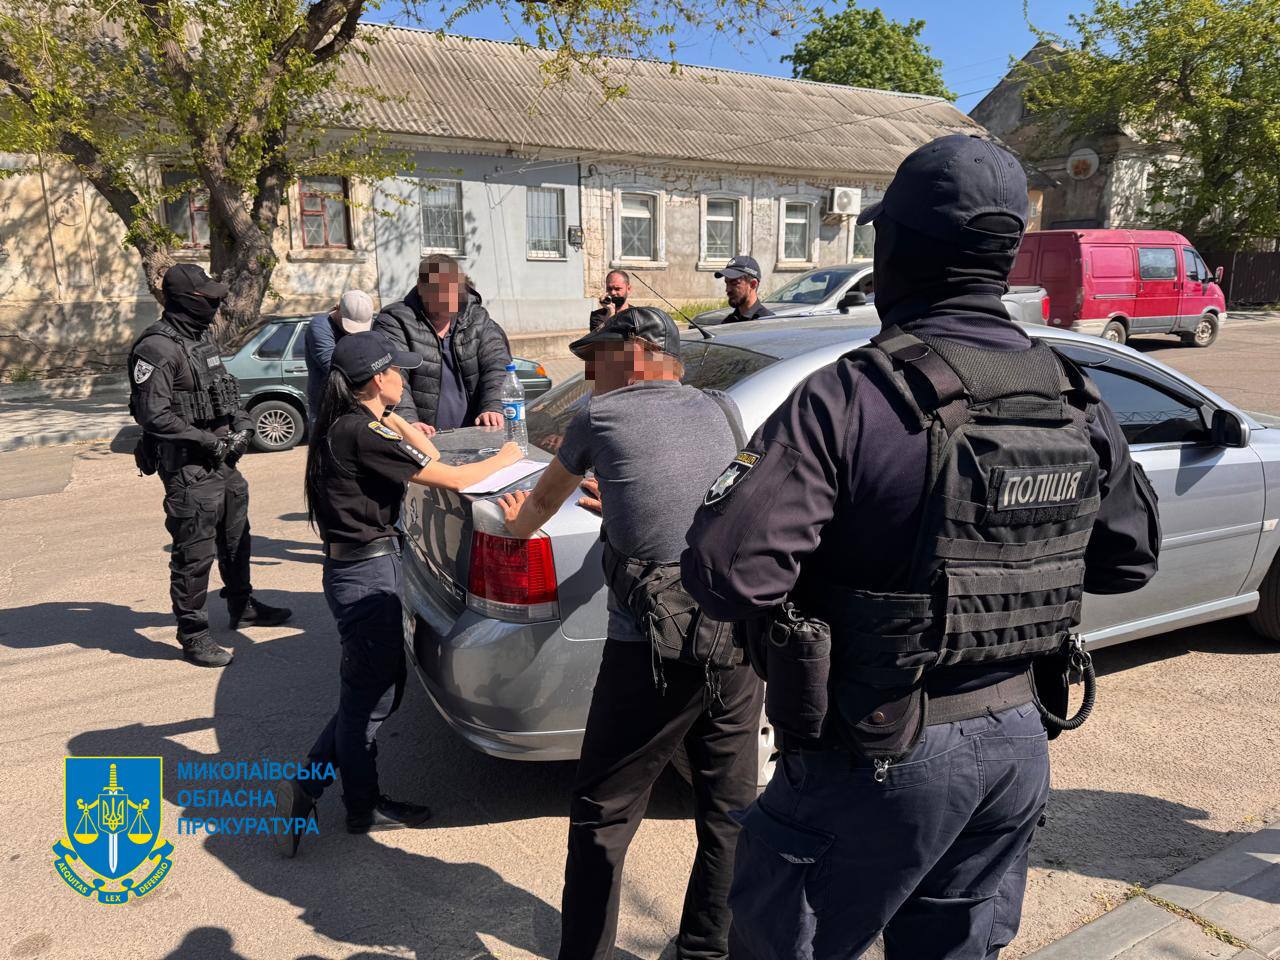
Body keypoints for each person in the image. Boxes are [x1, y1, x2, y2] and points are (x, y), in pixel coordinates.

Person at [682, 134, 1162, 959]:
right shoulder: (1073, 394)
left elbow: (725, 574)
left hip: (876, 750)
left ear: (895, 250)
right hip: (1017, 739)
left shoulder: (850, 395)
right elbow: (1130, 560)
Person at [497, 307, 764, 960]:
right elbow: (710, 498)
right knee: (728, 812)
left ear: (639, 353)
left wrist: (512, 523)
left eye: (601, 358)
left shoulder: (598, 418)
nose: (591, 373)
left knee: (603, 813)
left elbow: (538, 508)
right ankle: (706, 950)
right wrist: (623, 510)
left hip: (651, 651)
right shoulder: (724, 410)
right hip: (732, 641)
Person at [273, 332, 522, 854]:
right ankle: (359, 807)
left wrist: (392, 414)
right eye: (396, 373)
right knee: (372, 699)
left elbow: (425, 451)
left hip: (359, 569)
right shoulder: (362, 432)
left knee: (372, 691)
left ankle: (310, 785)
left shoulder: (353, 424)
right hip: (365, 575)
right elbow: (455, 477)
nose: (404, 380)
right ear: (375, 378)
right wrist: (508, 455)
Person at [127, 264, 292, 668]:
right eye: (209, 299)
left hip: (222, 461)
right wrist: (207, 441)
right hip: (189, 468)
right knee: (194, 554)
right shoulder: (157, 348)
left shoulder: (201, 339)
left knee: (237, 538)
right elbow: (154, 415)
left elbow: (224, 391)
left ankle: (242, 605)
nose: (216, 306)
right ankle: (193, 634)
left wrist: (243, 422)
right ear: (186, 301)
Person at [373, 254, 512, 437]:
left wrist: (493, 406)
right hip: (423, 439)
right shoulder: (394, 321)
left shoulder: (477, 317)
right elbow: (393, 375)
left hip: (476, 436)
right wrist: (408, 423)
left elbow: (497, 364)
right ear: (421, 287)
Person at [304, 290, 375, 422]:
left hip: (358, 404)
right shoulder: (320, 325)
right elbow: (333, 366)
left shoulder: (370, 322)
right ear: (338, 308)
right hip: (328, 408)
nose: (354, 332)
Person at [715, 255, 773, 324]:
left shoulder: (767, 322)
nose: (727, 289)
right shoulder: (728, 322)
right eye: (727, 283)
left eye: (734, 283)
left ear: (753, 284)